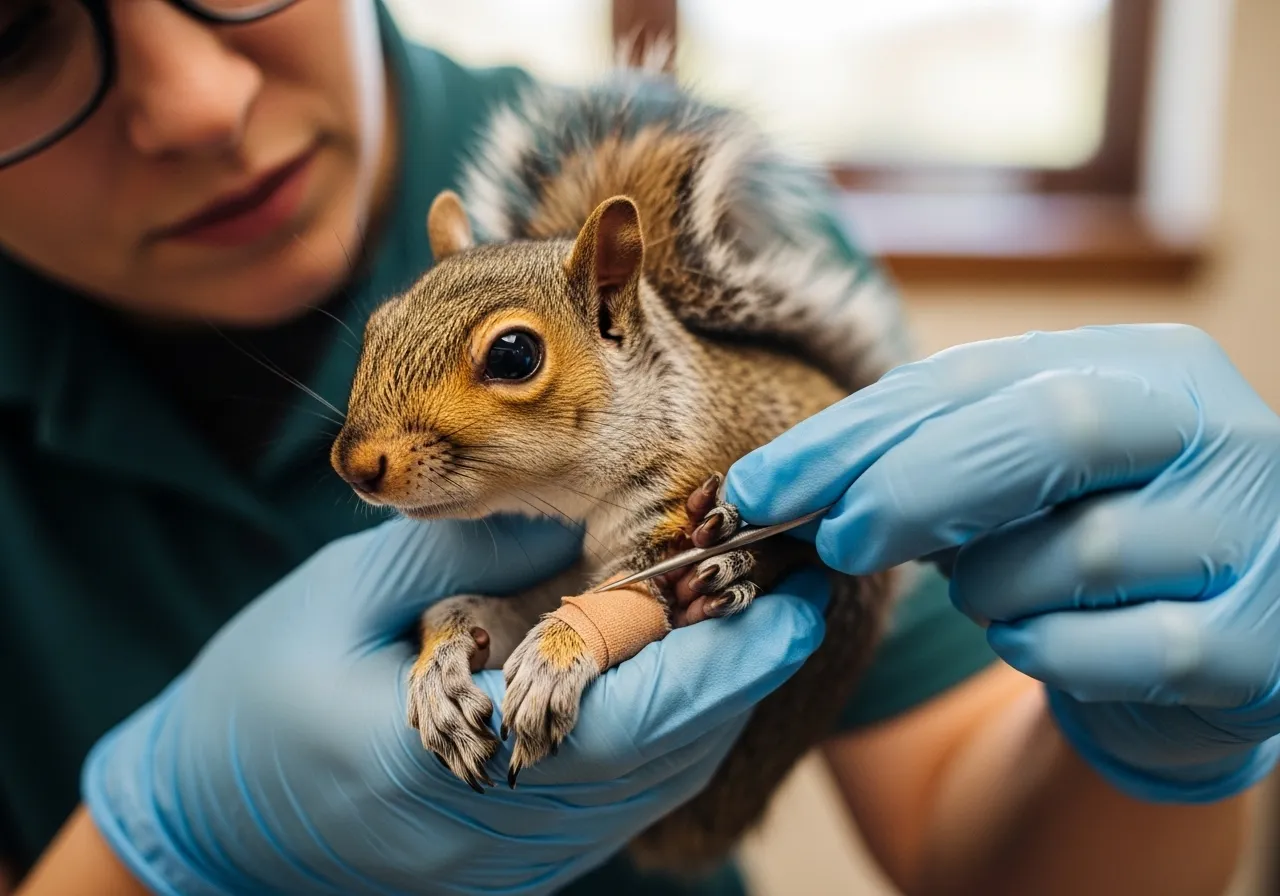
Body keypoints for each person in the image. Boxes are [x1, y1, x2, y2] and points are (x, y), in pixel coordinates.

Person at [0, 2, 1276, 895]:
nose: (200, 104)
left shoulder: (726, 287)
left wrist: (1160, 732)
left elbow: (965, 823)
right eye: (16, 30)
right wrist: (159, 843)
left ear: (611, 313)